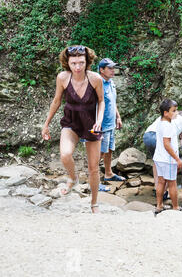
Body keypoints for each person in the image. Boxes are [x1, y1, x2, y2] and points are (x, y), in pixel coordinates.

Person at [41, 45, 105, 213]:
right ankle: (73, 177)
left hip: (91, 124)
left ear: (87, 62)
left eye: (81, 63)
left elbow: (101, 101)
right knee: (65, 154)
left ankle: (94, 203)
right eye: (74, 63)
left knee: (93, 168)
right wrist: (46, 124)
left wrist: (99, 120)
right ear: (67, 63)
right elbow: (56, 101)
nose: (77, 67)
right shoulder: (62, 78)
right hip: (71, 122)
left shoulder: (96, 78)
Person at [144, 110, 182, 199]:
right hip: (159, 139)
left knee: (157, 162)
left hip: (147, 136)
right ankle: (164, 192)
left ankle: (157, 188)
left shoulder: (167, 116)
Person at [153, 99, 182, 215]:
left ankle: (159, 205)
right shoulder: (168, 126)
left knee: (161, 182)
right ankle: (176, 207)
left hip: (159, 158)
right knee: (172, 183)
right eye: (174, 111)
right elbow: (167, 144)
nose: (177, 113)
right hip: (168, 159)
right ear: (166, 113)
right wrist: (177, 158)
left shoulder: (160, 123)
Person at [98, 58, 125, 188]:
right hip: (101, 125)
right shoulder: (98, 84)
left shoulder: (111, 82)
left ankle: (108, 173)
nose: (113, 70)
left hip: (111, 123)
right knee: (99, 152)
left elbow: (113, 102)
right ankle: (94, 180)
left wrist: (118, 117)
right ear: (101, 70)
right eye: (110, 68)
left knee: (109, 149)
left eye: (113, 68)